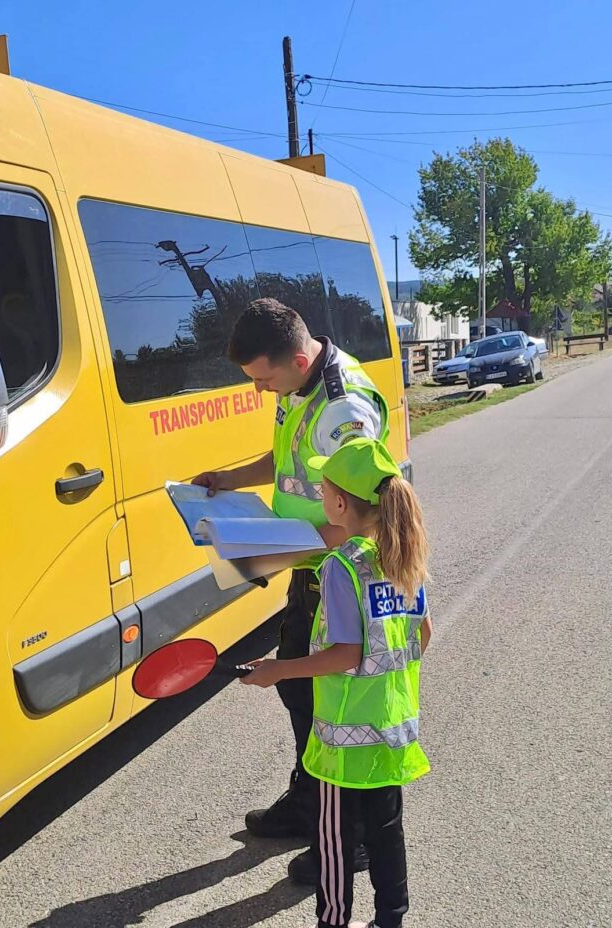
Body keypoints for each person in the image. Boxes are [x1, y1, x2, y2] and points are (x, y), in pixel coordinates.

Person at [192, 298, 388, 883]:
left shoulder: (343, 409)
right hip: (313, 567)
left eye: (262, 379)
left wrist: (272, 552)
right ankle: (311, 804)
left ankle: (350, 837)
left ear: (298, 360)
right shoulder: (300, 386)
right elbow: (286, 463)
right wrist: (228, 479)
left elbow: (364, 519)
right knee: (299, 690)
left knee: (331, 704)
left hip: (340, 575)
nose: (259, 390)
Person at [242, 437, 432, 928]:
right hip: (390, 727)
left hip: (344, 739)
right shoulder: (402, 555)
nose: (319, 497)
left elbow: (346, 653)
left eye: (322, 490)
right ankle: (391, 919)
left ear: (341, 504)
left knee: (334, 840)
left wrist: (278, 669)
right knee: (386, 831)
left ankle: (334, 920)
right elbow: (422, 635)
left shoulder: (342, 566)